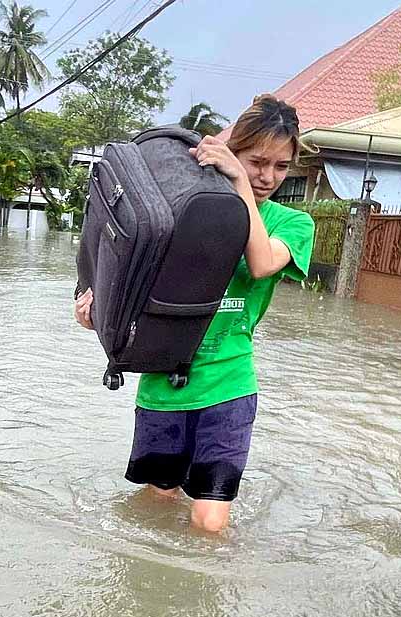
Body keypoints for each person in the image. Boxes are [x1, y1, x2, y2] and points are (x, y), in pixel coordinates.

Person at [74, 94, 316, 533]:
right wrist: (94, 305)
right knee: (157, 506)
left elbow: (260, 264)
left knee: (209, 523)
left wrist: (239, 185)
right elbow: (128, 266)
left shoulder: (293, 224)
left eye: (281, 167)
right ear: (233, 152)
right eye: (256, 162)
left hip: (230, 384)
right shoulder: (186, 206)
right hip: (164, 382)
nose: (267, 177)